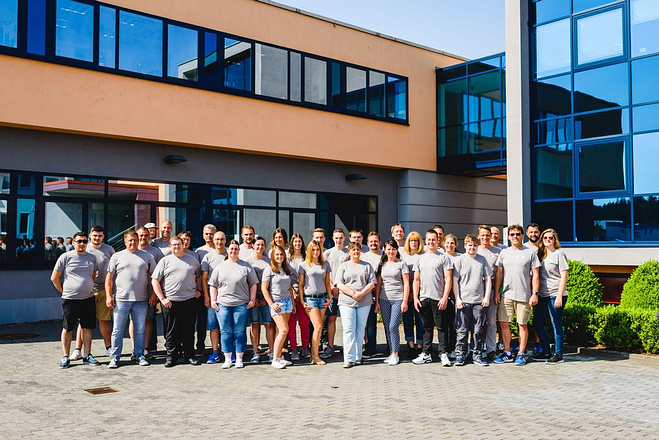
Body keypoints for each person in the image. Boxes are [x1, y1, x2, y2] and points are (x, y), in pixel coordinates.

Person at [105, 230, 156, 368]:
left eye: (135, 240)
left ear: (138, 241)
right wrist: (109, 296)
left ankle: (139, 355)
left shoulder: (147, 256)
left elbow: (155, 277)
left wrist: (153, 295)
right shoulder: (117, 256)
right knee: (117, 330)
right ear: (125, 241)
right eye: (130, 240)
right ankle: (115, 358)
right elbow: (109, 278)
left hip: (141, 300)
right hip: (121, 299)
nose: (133, 242)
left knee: (140, 330)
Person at [151, 235, 203, 367]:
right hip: (170, 302)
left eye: (178, 244)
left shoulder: (192, 260)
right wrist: (162, 298)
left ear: (183, 245)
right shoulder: (165, 261)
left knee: (188, 330)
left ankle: (189, 356)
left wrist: (199, 290)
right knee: (171, 331)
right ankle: (171, 357)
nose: (176, 247)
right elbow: (155, 280)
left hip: (189, 300)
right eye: (173, 245)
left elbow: (199, 276)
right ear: (170, 246)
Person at [493, 224, 540, 366]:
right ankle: (507, 352)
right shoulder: (504, 253)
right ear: (508, 237)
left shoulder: (530, 253)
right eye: (512, 234)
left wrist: (535, 294)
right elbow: (499, 273)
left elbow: (536, 275)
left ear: (522, 236)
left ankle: (521, 353)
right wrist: (497, 292)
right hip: (506, 295)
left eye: (517, 234)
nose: (515, 237)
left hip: (524, 296)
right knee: (503, 323)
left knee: (522, 325)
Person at [51, 232, 100, 368]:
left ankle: (87, 355)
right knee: (68, 328)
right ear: (73, 242)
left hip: (88, 298)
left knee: (87, 327)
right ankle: (65, 356)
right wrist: (64, 291)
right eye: (79, 241)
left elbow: (93, 275)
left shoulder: (92, 257)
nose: (82, 244)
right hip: (70, 300)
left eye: (84, 241)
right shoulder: (65, 257)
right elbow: (54, 278)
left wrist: (87, 287)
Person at [209, 240, 258, 369]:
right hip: (223, 304)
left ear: (239, 250)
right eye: (231, 249)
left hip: (241, 304)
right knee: (225, 332)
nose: (233, 251)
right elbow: (213, 285)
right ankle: (228, 358)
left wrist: (252, 299)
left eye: (236, 249)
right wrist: (213, 300)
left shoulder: (246, 266)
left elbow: (253, 284)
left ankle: (239, 358)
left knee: (239, 331)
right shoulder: (220, 266)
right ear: (228, 250)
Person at [70, 225, 113, 361]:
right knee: (83, 322)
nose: (97, 238)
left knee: (104, 320)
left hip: (104, 290)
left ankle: (109, 348)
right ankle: (77, 350)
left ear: (103, 236)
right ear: (90, 235)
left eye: (100, 236)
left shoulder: (109, 250)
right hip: (87, 291)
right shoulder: (84, 248)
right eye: (95, 235)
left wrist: (111, 292)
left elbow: (113, 271)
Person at [412, 229, 453, 367]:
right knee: (427, 328)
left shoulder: (444, 257)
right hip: (424, 298)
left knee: (441, 328)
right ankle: (426, 354)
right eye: (428, 239)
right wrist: (416, 297)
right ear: (425, 240)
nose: (431, 242)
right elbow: (416, 280)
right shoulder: (420, 258)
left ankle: (443, 354)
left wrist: (445, 297)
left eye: (433, 239)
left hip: (438, 299)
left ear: (438, 241)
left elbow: (448, 279)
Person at [452, 234, 492, 367]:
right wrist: (458, 298)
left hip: (479, 301)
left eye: (475, 245)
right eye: (470, 245)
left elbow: (488, 279)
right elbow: (455, 281)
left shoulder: (482, 260)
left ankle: (477, 355)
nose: (472, 248)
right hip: (463, 302)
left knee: (478, 331)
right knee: (462, 330)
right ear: (465, 246)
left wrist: (486, 297)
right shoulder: (460, 260)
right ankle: (460, 355)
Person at [336, 242, 376, 368]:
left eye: (357, 249)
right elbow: (339, 283)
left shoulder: (367, 266)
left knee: (360, 329)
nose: (355, 252)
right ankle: (349, 358)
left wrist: (361, 294)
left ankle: (358, 356)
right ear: (349, 252)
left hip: (364, 301)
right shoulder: (343, 266)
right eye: (353, 250)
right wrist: (353, 294)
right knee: (348, 329)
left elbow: (372, 283)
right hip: (346, 301)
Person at [534, 229, 568, 364]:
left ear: (555, 240)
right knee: (537, 322)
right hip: (542, 294)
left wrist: (559, 296)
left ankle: (558, 354)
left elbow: (564, 276)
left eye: (550, 238)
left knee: (556, 324)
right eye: (545, 238)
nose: (548, 240)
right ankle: (546, 352)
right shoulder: (540, 255)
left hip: (555, 294)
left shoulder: (559, 254)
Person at [375, 239, 409, 366]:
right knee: (387, 326)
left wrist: (405, 301)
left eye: (393, 249)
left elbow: (406, 283)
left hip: (398, 299)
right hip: (384, 299)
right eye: (388, 249)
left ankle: (396, 353)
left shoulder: (402, 264)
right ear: (385, 250)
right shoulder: (382, 264)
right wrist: (377, 301)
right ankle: (391, 352)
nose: (391, 251)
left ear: (396, 250)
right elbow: (378, 285)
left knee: (393, 326)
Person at [298, 240, 332, 365]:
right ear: (309, 251)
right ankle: (316, 357)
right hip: (310, 299)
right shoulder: (304, 265)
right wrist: (302, 301)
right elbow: (301, 284)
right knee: (317, 326)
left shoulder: (325, 264)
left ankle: (313, 355)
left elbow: (327, 283)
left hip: (322, 298)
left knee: (318, 327)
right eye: (313, 249)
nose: (316, 252)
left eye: (318, 249)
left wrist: (330, 297)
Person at [262, 245, 296, 369]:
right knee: (284, 330)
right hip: (277, 303)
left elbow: (290, 288)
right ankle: (274, 359)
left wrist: (292, 303)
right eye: (277, 254)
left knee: (279, 331)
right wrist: (271, 304)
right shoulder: (269, 270)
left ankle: (280, 357)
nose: (279, 256)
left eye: (281, 254)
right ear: (272, 256)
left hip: (287, 302)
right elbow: (264, 289)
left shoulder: (286, 269)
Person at [134, 226, 164, 358]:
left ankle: (146, 348)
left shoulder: (155, 252)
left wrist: (155, 294)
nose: (143, 238)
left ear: (149, 236)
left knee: (148, 320)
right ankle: (135, 348)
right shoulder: (131, 250)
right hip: (134, 293)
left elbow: (161, 274)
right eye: (141, 235)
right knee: (133, 321)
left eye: (146, 235)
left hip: (150, 292)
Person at [201, 230, 228, 364]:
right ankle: (215, 352)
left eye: (222, 239)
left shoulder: (230, 253)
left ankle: (227, 351)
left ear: (225, 240)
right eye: (217, 239)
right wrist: (207, 297)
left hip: (228, 296)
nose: (219, 242)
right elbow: (204, 278)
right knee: (213, 326)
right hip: (213, 296)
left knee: (227, 326)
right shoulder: (208, 256)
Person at [247, 237, 275, 364]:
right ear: (253, 246)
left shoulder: (269, 261)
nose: (260, 247)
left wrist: (267, 298)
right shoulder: (248, 261)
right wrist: (252, 298)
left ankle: (272, 351)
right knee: (255, 324)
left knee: (269, 324)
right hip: (252, 297)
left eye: (262, 245)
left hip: (266, 296)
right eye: (257, 245)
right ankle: (255, 352)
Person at [321, 229, 348, 359]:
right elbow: (324, 273)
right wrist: (332, 287)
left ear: (344, 238)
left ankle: (347, 346)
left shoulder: (348, 252)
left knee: (346, 320)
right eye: (336, 238)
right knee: (331, 319)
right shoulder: (327, 253)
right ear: (332, 238)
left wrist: (342, 288)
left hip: (345, 291)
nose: (338, 240)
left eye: (340, 238)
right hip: (331, 291)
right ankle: (330, 345)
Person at [476, 225, 501, 361]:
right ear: (478, 236)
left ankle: (491, 350)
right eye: (483, 235)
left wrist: (496, 292)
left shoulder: (497, 252)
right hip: (476, 293)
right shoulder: (474, 249)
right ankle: (476, 349)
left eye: (487, 235)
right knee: (477, 323)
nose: (485, 237)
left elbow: (499, 274)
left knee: (491, 322)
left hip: (491, 292)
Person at [287, 233, 311, 361]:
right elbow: (285, 276)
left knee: (304, 323)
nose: (297, 244)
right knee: (291, 324)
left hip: (304, 293)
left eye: (299, 241)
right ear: (292, 243)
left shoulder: (306, 256)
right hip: (290, 292)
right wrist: (293, 291)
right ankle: (294, 349)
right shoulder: (287, 257)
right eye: (295, 241)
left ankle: (305, 347)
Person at [401, 231, 424, 359]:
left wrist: (415, 293)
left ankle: (420, 345)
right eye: (411, 240)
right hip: (406, 293)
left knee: (421, 321)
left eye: (416, 240)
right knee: (407, 320)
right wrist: (408, 292)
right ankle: (410, 345)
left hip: (420, 293)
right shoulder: (403, 256)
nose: (413, 243)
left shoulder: (423, 255)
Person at [361, 231, 382, 358]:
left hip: (384, 292)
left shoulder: (384, 255)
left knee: (389, 323)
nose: (373, 243)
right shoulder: (363, 257)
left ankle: (391, 347)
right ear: (367, 243)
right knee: (369, 322)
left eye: (375, 241)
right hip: (368, 293)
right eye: (371, 241)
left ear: (379, 242)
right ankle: (370, 347)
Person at [442, 233, 460, 358]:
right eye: (447, 243)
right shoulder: (440, 256)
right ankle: (445, 349)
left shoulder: (460, 257)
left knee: (455, 325)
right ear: (444, 244)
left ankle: (454, 348)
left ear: (456, 244)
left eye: (452, 243)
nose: (449, 245)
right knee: (444, 324)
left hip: (456, 296)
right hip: (443, 296)